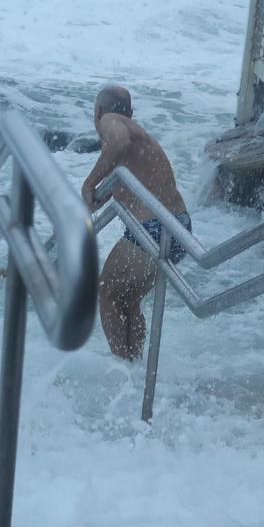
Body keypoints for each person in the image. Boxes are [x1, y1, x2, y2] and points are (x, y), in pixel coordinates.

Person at [80, 85, 192, 361]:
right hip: (178, 227)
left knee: (105, 292)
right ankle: (135, 368)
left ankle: (123, 371)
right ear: (131, 112)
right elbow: (127, 181)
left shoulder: (112, 122)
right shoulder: (141, 139)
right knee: (128, 301)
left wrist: (89, 182)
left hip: (154, 229)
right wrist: (99, 195)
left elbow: (118, 142)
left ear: (98, 112)